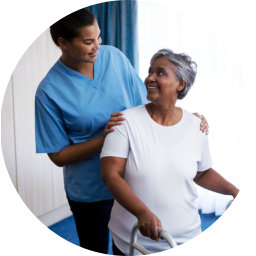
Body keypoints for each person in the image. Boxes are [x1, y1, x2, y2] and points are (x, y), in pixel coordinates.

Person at [35, 8, 208, 254]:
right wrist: (103, 139)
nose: (97, 46)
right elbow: (58, 156)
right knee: (94, 247)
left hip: (134, 180)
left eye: (98, 37)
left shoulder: (113, 57)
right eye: (87, 42)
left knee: (130, 244)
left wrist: (187, 119)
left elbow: (146, 103)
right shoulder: (49, 91)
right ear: (63, 43)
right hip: (90, 189)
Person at [100, 49, 239, 255]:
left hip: (187, 237)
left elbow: (202, 173)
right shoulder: (124, 122)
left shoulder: (196, 125)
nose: (150, 78)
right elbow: (111, 175)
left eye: (160, 73)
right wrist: (142, 212)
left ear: (180, 84)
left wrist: (235, 192)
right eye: (149, 72)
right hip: (135, 240)